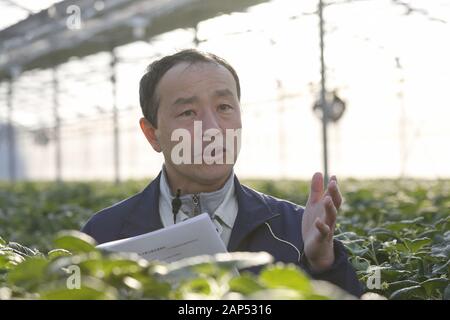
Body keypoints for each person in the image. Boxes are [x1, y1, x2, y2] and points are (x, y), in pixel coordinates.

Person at [81, 49, 363, 297]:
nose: (212, 129)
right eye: (188, 112)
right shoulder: (104, 234)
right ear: (152, 134)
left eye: (224, 107)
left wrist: (325, 264)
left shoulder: (296, 230)